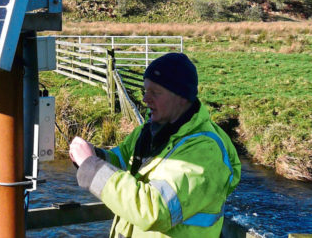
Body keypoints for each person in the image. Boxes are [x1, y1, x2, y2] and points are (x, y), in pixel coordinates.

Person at [69, 52, 241, 238]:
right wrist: (94, 155)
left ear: (182, 98)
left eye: (155, 93)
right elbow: (121, 159)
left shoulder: (204, 151)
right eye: (145, 91)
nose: (145, 99)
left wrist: (92, 167)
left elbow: (155, 211)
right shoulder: (149, 132)